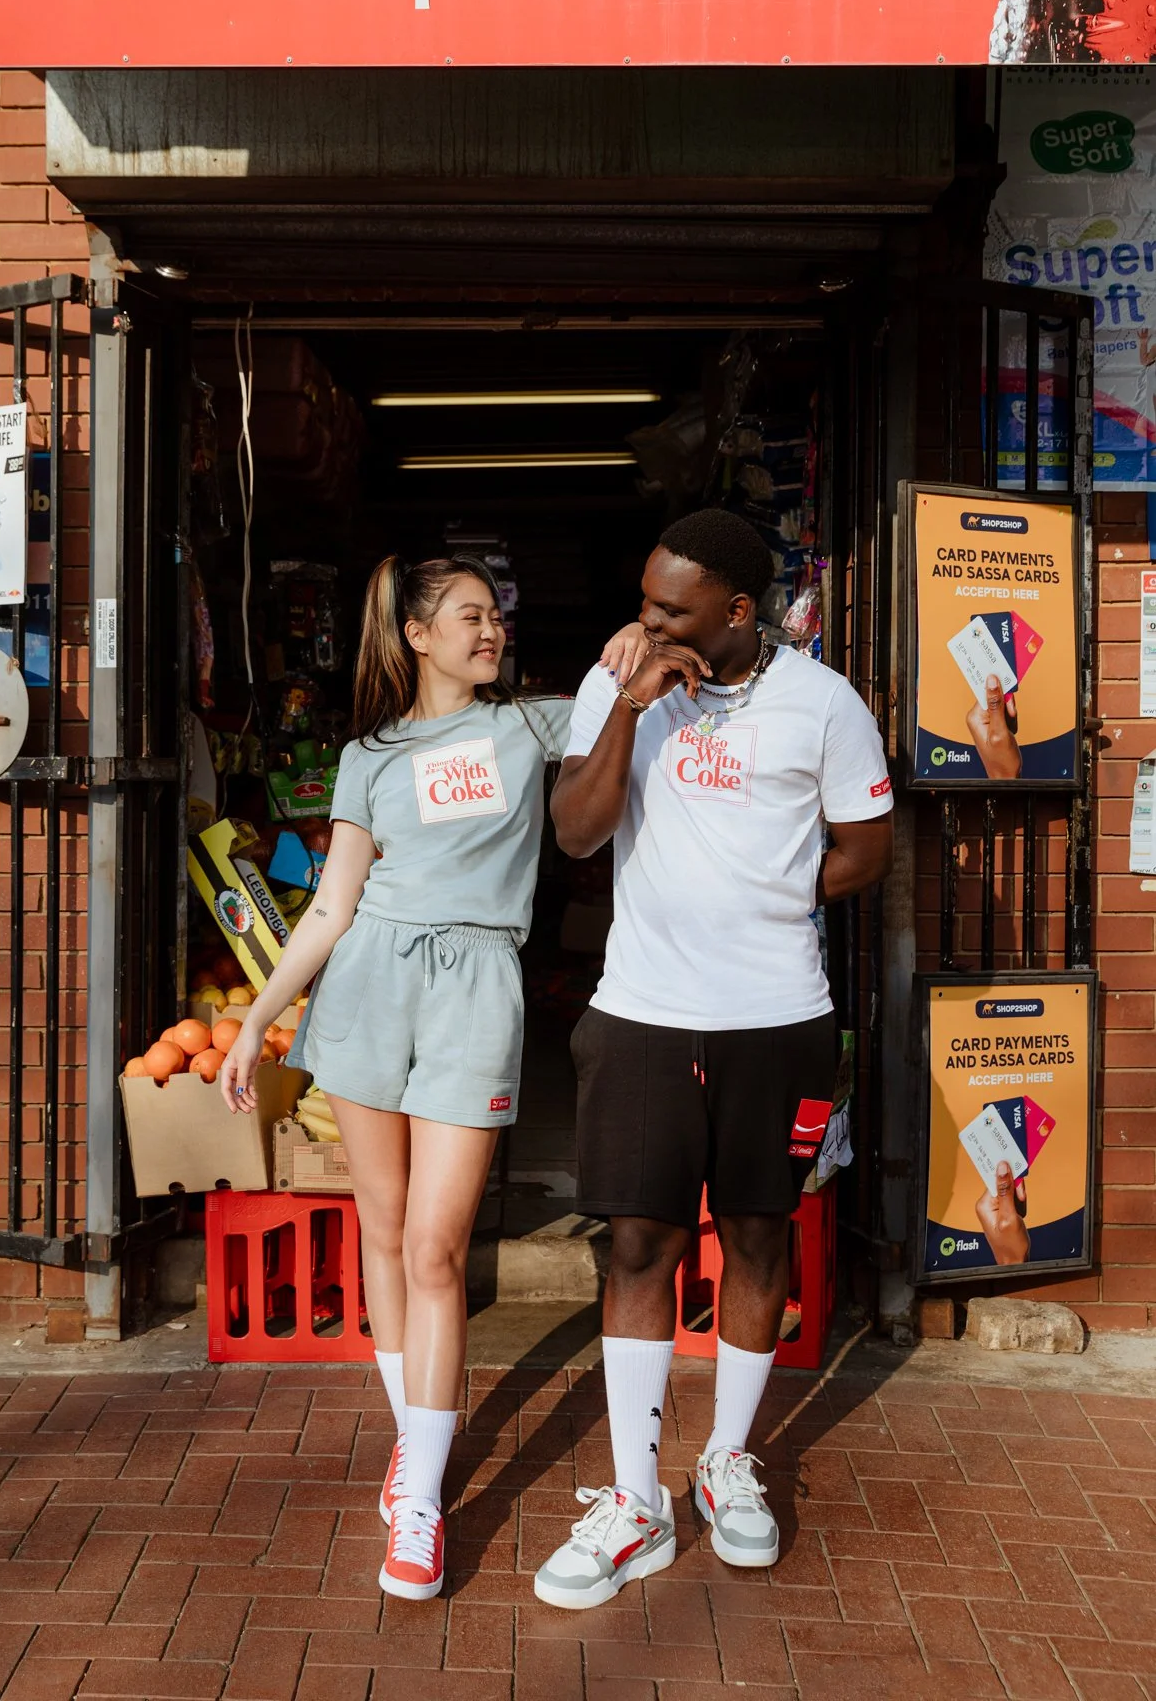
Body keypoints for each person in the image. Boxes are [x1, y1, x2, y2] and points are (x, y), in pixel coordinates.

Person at [220, 556, 641, 1602]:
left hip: (475, 985)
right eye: (469, 616)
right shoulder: (368, 755)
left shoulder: (530, 727)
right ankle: (419, 1454)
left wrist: (631, 647)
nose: (490, 630)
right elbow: (330, 906)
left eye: (496, 615)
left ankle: (421, 1487)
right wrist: (256, 1022)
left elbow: (610, 699)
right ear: (416, 635)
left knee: (437, 1246)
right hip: (367, 982)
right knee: (382, 1224)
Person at [533, 509, 894, 1607]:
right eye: (643, 602)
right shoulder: (622, 686)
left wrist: (765, 897)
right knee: (638, 1239)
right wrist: (631, 707)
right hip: (641, 1008)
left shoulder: (825, 703)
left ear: (738, 612)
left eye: (671, 609)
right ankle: (636, 1497)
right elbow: (577, 833)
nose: (646, 621)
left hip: (776, 1012)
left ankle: (728, 1457)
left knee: (756, 1231)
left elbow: (865, 848)